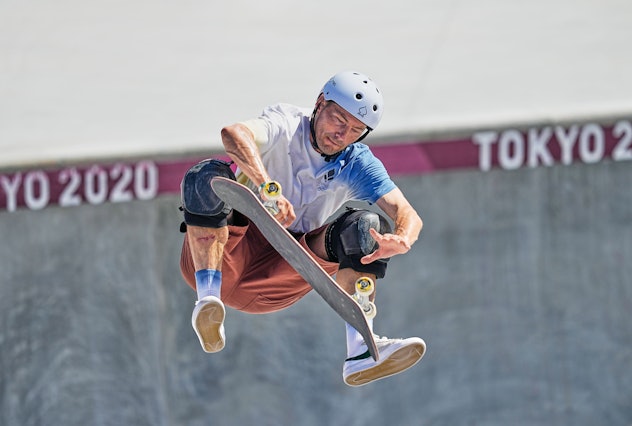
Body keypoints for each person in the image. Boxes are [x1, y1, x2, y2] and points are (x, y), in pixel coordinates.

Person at [179, 71, 426, 386]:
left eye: (355, 130)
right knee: (207, 175)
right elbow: (233, 134)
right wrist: (266, 186)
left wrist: (403, 237)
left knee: (366, 227)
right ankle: (208, 302)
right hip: (225, 251)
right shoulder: (285, 124)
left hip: (277, 281)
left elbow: (407, 212)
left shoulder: (357, 162)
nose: (342, 135)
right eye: (338, 120)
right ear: (320, 104)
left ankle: (361, 350)